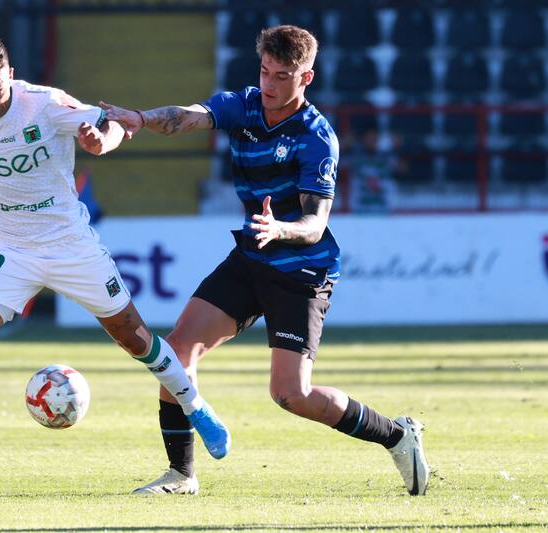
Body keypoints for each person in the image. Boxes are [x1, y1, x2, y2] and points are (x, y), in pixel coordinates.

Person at [0, 35, 229, 496]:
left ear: (11, 74)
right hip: (12, 251)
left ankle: (196, 407)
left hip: (71, 247)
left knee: (135, 340)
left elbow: (115, 125)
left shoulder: (46, 104)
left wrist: (101, 141)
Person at [103, 25, 430, 496]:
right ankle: (181, 474)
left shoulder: (317, 137)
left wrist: (281, 229)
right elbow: (189, 117)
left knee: (291, 395)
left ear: (306, 77)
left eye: (282, 75)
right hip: (254, 254)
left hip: (302, 269)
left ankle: (397, 436)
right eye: (264, 71)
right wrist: (139, 117)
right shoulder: (246, 105)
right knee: (176, 350)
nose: (269, 84)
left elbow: (315, 224)